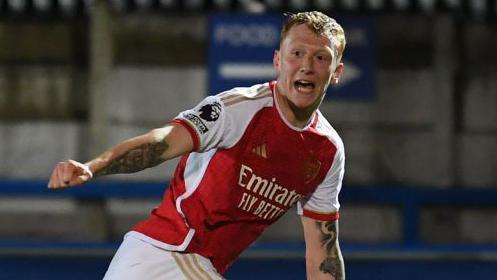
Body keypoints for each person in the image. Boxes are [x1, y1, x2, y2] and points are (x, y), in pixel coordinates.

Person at [48, 11, 346, 280]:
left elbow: (323, 250)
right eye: (297, 53)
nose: (307, 65)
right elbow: (161, 142)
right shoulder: (238, 110)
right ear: (278, 61)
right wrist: (92, 167)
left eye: (320, 57)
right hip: (162, 256)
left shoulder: (327, 152)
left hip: (195, 268)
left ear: (336, 73)